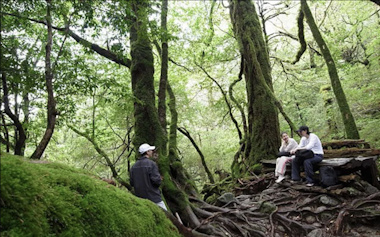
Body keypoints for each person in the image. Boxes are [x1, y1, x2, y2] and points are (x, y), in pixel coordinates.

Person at [130, 143, 167, 211]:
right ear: (147, 152)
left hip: (140, 199)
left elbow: (132, 182)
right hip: (154, 198)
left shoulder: (134, 166)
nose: (152, 151)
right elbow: (156, 181)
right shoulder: (152, 164)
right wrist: (159, 179)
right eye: (151, 150)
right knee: (167, 218)